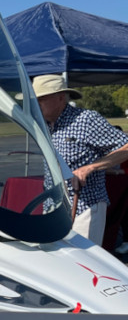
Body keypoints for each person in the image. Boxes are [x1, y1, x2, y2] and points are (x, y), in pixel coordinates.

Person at [34, 74, 128, 245]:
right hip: (53, 205)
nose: (36, 104)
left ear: (60, 98)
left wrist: (90, 167)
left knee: (82, 258)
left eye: (41, 99)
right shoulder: (43, 125)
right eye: (35, 100)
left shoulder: (85, 120)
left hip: (85, 206)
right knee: (53, 257)